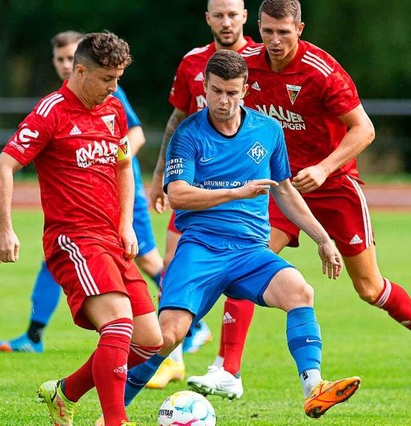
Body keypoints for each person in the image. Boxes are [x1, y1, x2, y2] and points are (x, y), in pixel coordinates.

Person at [187, 0, 411, 398]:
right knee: (246, 260)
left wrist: (325, 168)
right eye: (268, 31)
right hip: (281, 187)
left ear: (300, 28)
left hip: (335, 186)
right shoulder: (246, 64)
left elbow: (364, 129)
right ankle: (228, 369)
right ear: (258, 26)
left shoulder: (321, 71)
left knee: (369, 287)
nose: (275, 41)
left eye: (284, 32)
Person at [116, 50, 361, 420]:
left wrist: (323, 239)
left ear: (246, 89)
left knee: (300, 291)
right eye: (216, 91)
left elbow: (284, 189)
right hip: (201, 249)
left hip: (249, 252)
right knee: (167, 337)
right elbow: (178, 193)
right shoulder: (189, 134)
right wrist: (236, 191)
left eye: (232, 92)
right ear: (205, 87)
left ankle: (314, 387)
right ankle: (115, 409)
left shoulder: (267, 131)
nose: (223, 101)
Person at [0, 32, 162, 426]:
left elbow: (121, 166)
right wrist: (5, 229)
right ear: (80, 71)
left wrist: (125, 225)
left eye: (118, 79)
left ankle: (64, 393)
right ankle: (115, 422)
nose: (113, 88)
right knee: (118, 324)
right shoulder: (50, 111)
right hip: (73, 239)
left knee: (150, 340)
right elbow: (3, 167)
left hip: (110, 239)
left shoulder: (113, 110)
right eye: (107, 79)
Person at [145, 0, 261, 390]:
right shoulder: (192, 62)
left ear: (245, 17)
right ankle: (172, 358)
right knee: (172, 260)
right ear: (207, 18)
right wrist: (161, 173)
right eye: (219, 14)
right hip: (195, 186)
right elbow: (177, 119)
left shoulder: (263, 61)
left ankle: (228, 365)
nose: (226, 22)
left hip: (244, 192)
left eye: (233, 14)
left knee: (244, 268)